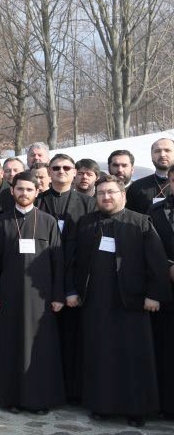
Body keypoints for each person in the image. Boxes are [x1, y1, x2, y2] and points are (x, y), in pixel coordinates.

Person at [68, 174, 170, 428]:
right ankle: (102, 406)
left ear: (123, 194)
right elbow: (72, 260)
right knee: (100, 355)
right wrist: (72, 290)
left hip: (132, 303)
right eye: (101, 193)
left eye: (111, 192)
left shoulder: (140, 222)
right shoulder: (85, 223)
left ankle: (137, 409)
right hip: (96, 302)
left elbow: (156, 262)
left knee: (134, 358)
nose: (105, 197)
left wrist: (154, 295)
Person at [0, 171, 65, 414]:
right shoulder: (1, 222)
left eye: (29, 189)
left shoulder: (48, 222)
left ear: (37, 192)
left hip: (41, 298)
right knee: (11, 346)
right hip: (9, 296)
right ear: (12, 191)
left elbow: (58, 261)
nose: (24, 193)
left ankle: (39, 400)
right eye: (20, 189)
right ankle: (11, 398)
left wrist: (58, 295)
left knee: (39, 348)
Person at [38, 154, 96, 403]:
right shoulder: (38, 201)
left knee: (73, 337)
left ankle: (73, 391)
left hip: (76, 279)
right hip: (42, 279)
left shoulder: (89, 203)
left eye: (66, 168)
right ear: (49, 172)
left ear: (74, 172)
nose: (61, 171)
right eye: (56, 168)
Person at [147, 165, 174, 417]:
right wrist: (168, 266)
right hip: (166, 289)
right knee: (166, 348)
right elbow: (149, 246)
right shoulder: (155, 212)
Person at [127, 137, 174, 213]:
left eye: (167, 150)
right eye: (157, 151)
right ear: (152, 156)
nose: (162, 155)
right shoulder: (137, 187)